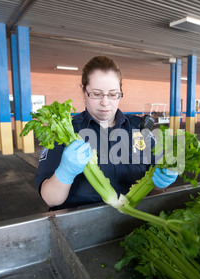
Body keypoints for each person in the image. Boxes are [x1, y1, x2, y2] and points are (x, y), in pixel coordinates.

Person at [35, 56, 178, 211]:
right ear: (84, 90)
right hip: (78, 223)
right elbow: (50, 200)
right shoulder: (65, 132)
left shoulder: (140, 128)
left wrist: (161, 182)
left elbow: (155, 189)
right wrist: (65, 172)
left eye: (113, 94)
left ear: (121, 92)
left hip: (133, 219)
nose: (105, 102)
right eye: (96, 94)